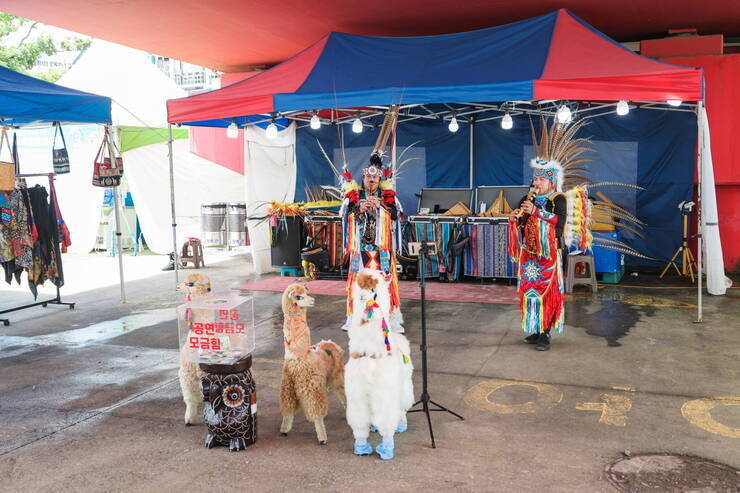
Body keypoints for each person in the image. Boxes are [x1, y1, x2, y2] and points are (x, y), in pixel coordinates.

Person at [341, 153, 404, 333]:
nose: (371, 180)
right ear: (364, 177)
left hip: (381, 248)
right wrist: (358, 209)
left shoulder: (387, 194)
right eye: (368, 177)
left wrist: (380, 207)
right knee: (357, 281)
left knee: (386, 281)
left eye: (375, 177)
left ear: (380, 178)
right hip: (360, 246)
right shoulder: (355, 194)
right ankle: (354, 317)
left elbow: (395, 214)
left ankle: (391, 319)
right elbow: (345, 215)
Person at [509, 162, 567, 351]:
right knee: (530, 291)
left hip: (549, 253)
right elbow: (523, 223)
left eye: (542, 179)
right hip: (529, 253)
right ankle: (535, 329)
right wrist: (515, 218)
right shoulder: (527, 199)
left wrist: (537, 212)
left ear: (551, 182)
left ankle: (545, 333)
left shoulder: (558, 198)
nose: (538, 183)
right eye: (535, 179)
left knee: (547, 291)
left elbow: (559, 220)